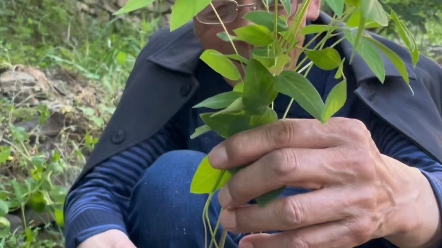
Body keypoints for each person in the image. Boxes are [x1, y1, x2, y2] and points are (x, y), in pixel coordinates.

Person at [63, 0, 442, 247]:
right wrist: (103, 237)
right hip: (212, 234)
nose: (248, 36)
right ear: (192, 14)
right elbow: (102, 190)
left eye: (274, 5)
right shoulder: (172, 64)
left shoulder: (386, 71)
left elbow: (433, 184)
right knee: (177, 182)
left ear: (312, 4)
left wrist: (407, 197)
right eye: (222, 9)